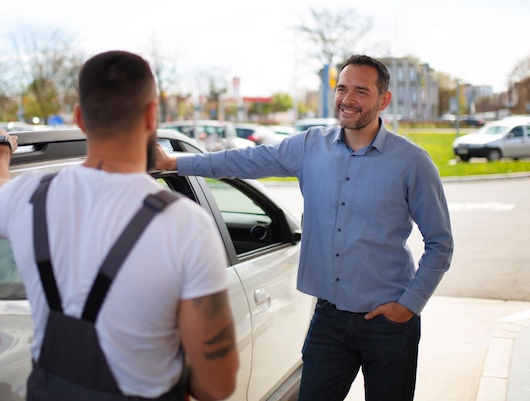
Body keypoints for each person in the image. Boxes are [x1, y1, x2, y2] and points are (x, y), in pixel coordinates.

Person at [154, 54, 453, 401]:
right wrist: (175, 162)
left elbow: (440, 243)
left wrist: (409, 305)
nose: (348, 99)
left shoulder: (412, 162)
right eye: (342, 89)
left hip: (389, 323)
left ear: (383, 100)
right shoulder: (310, 146)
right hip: (329, 320)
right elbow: (243, 160)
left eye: (361, 91)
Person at [0, 50, 238, 401]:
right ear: (151, 115)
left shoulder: (27, 199)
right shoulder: (186, 226)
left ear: (80, 118)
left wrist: (0, 146)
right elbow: (217, 385)